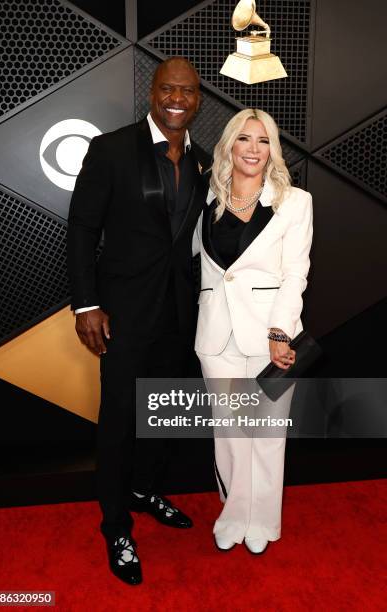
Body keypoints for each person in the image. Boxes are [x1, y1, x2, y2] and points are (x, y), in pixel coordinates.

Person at [67, 57, 210, 586]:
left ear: (198, 100)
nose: (177, 98)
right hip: (121, 315)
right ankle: (116, 524)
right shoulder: (110, 149)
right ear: (152, 93)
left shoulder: (202, 159)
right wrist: (86, 305)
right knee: (120, 419)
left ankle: (146, 490)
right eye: (168, 88)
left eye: (188, 91)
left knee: (164, 414)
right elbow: (82, 228)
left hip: (179, 314)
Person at [193, 108, 313, 554]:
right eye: (244, 139)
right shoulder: (206, 197)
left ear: (273, 149)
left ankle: (263, 519)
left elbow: (296, 273)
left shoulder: (295, 201)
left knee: (267, 431)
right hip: (216, 334)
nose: (253, 149)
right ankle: (234, 512)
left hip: (270, 335)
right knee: (228, 430)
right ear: (229, 145)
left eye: (263, 141)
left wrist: (280, 332)